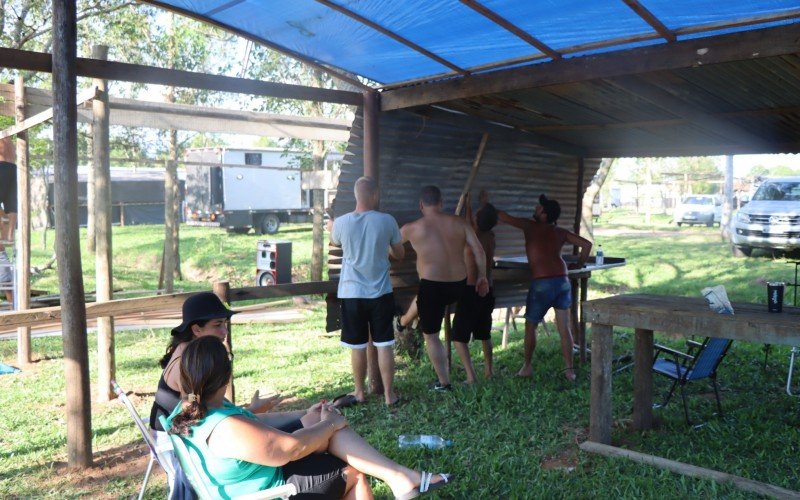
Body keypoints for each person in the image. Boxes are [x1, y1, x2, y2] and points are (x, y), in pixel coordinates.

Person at [166, 336, 453, 499]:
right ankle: (400, 477)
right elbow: (290, 450)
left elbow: (258, 427)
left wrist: (307, 415)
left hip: (251, 480)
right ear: (226, 375)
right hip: (267, 493)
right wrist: (330, 424)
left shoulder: (189, 408)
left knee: (323, 429)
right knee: (353, 474)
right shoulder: (224, 428)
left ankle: (400, 477)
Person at [398, 186, 489, 391]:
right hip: (459, 284)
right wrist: (482, 276)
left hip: (432, 286)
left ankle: (444, 382)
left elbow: (389, 247)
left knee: (431, 335)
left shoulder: (412, 227)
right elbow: (479, 251)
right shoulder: (460, 223)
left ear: (421, 205)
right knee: (424, 302)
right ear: (441, 203)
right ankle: (403, 321)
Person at [497, 194, 592, 381]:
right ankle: (569, 371)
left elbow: (503, 217)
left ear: (544, 214)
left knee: (530, 326)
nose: (535, 208)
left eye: (539, 208)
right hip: (562, 281)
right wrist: (579, 265)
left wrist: (486, 204)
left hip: (542, 283)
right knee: (564, 328)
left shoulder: (529, 226)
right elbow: (587, 245)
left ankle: (527, 367)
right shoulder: (560, 232)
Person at [330, 176, 404, 406]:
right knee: (384, 344)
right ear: (375, 195)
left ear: (355, 195)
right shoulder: (387, 221)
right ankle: (390, 395)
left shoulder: (341, 223)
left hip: (351, 293)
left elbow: (335, 242)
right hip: (381, 292)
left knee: (357, 345)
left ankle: (359, 392)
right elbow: (400, 255)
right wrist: (385, 249)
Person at [451, 196, 498, 383]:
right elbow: (474, 222)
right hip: (488, 290)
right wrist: (474, 207)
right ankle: (489, 371)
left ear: (477, 220)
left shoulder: (471, 238)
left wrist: (468, 206)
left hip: (471, 290)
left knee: (458, 336)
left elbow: (468, 223)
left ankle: (471, 376)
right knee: (484, 333)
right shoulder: (491, 237)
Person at [0, 137, 17, 303]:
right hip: (11, 168)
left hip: (6, 168)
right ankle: (8, 236)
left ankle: (14, 307)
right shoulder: (7, 139)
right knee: (12, 206)